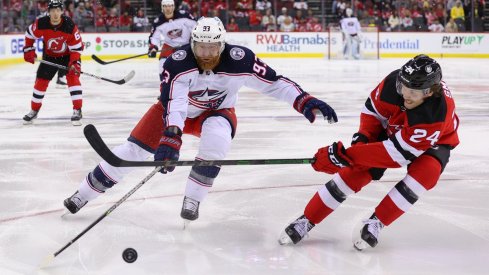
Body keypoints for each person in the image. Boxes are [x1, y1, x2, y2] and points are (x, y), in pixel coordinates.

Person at [63, 17, 338, 229]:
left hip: (216, 112)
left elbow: (275, 83)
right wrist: (172, 137)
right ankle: (84, 194)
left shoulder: (241, 60)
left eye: (212, 47)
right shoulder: (179, 63)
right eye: (200, 47)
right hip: (172, 112)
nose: (206, 53)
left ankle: (192, 198)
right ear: (192, 44)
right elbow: (175, 103)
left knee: (216, 141)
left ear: (223, 44)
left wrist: (303, 100)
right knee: (132, 152)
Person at [279, 55, 460, 250]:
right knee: (354, 172)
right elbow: (372, 112)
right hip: (395, 130)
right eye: (403, 87)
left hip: (434, 141)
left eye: (413, 92)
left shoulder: (435, 114)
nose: (405, 94)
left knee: (426, 174)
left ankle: (377, 222)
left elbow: (396, 155)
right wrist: (362, 138)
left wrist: (346, 155)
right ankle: (307, 219)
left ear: (429, 92)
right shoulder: (393, 83)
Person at [22, 0, 84, 126]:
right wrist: (28, 50)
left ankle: (77, 110)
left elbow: (76, 48)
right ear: (48, 12)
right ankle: (34, 110)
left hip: (68, 56)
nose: (55, 13)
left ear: (62, 11)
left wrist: (75, 63)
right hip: (50, 56)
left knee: (73, 78)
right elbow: (29, 35)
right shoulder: (41, 23)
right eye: (52, 10)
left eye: (57, 10)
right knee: (40, 82)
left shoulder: (69, 25)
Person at [148, 0, 196, 81]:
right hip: (169, 45)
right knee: (162, 64)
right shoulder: (158, 21)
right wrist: (153, 47)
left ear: (173, 6)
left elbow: (196, 26)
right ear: (162, 8)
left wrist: (195, 39)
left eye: (170, 6)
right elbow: (154, 37)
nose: (168, 8)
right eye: (165, 6)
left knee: (190, 67)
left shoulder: (184, 15)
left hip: (186, 45)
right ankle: (164, 89)